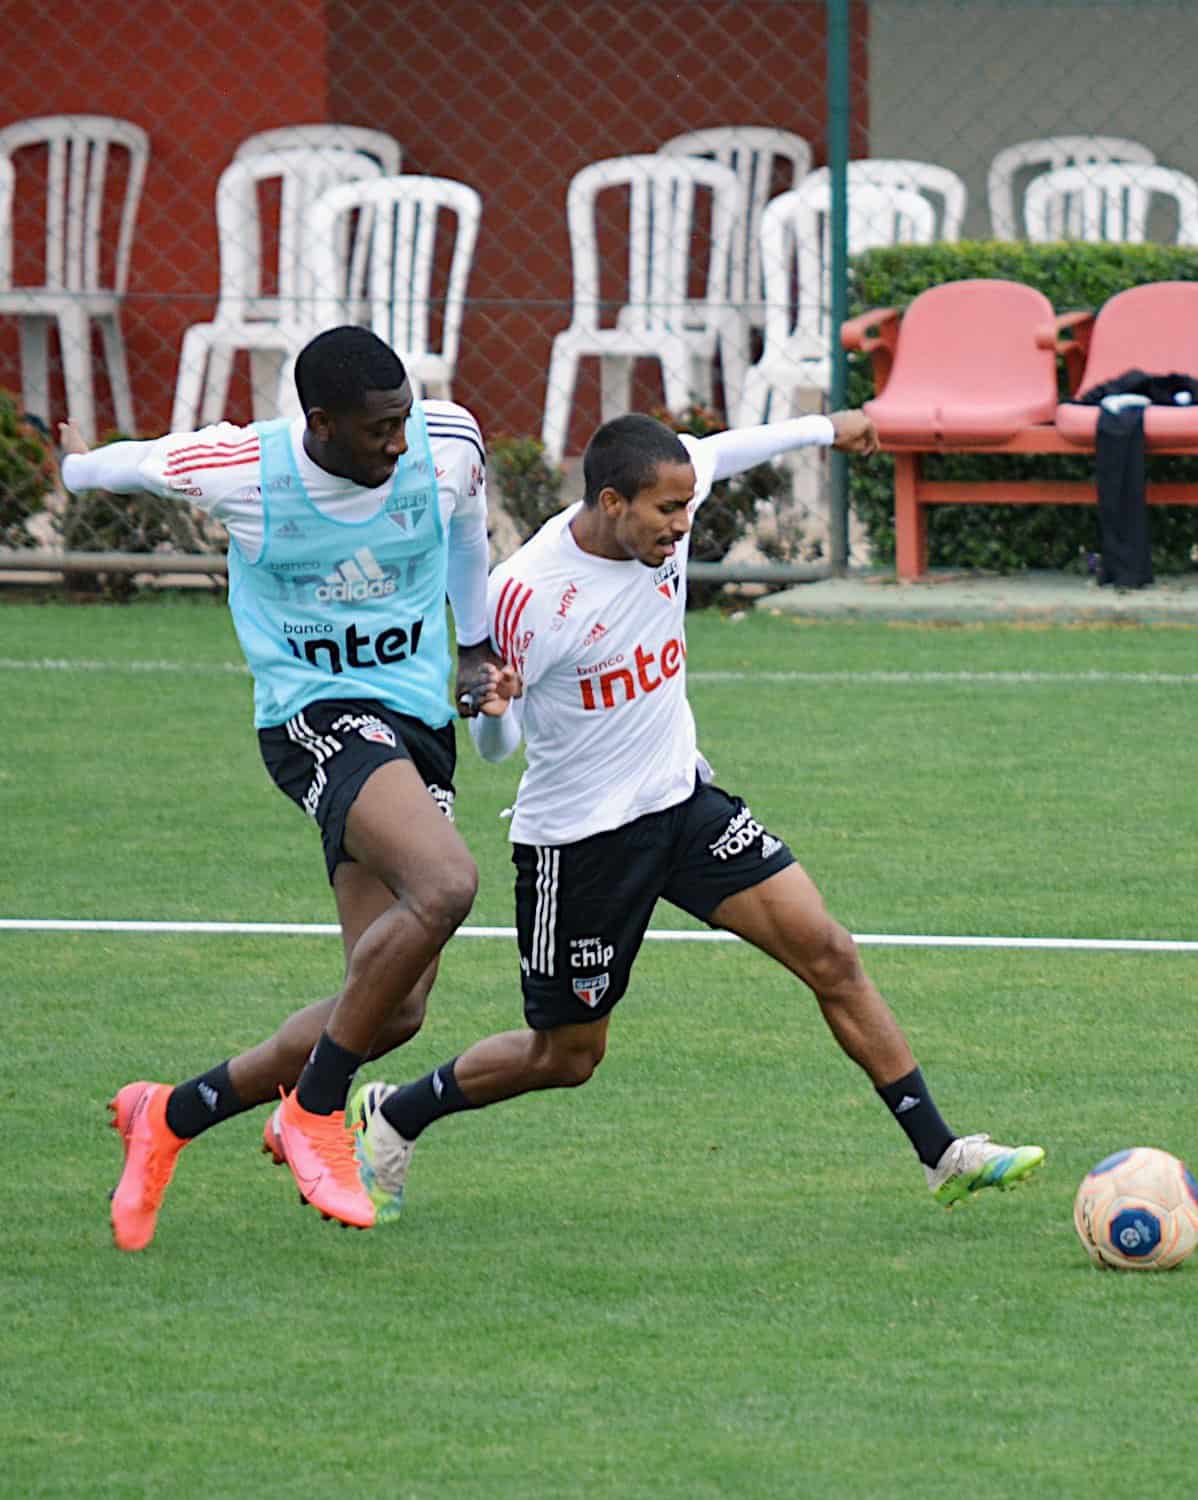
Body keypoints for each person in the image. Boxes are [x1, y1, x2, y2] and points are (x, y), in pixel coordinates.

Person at [347, 408, 1046, 1222]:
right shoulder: (527, 594)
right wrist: (493, 705)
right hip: (581, 845)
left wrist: (832, 426)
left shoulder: (669, 494)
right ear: (612, 502)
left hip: (683, 804)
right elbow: (497, 745)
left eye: (687, 506)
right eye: (667, 512)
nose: (684, 526)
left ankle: (943, 1152)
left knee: (830, 954)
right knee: (568, 1056)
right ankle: (394, 1116)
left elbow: (731, 449)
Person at [59, 325, 506, 1245]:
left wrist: (474, 647)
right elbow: (128, 466)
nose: (398, 441)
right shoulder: (241, 472)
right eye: (379, 428)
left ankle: (172, 1114)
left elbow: (467, 536)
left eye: (403, 421)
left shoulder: (446, 444)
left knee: (393, 1007)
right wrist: (73, 469)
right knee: (450, 883)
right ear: (321, 423)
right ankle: (315, 1111)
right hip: (314, 718)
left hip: (415, 724)